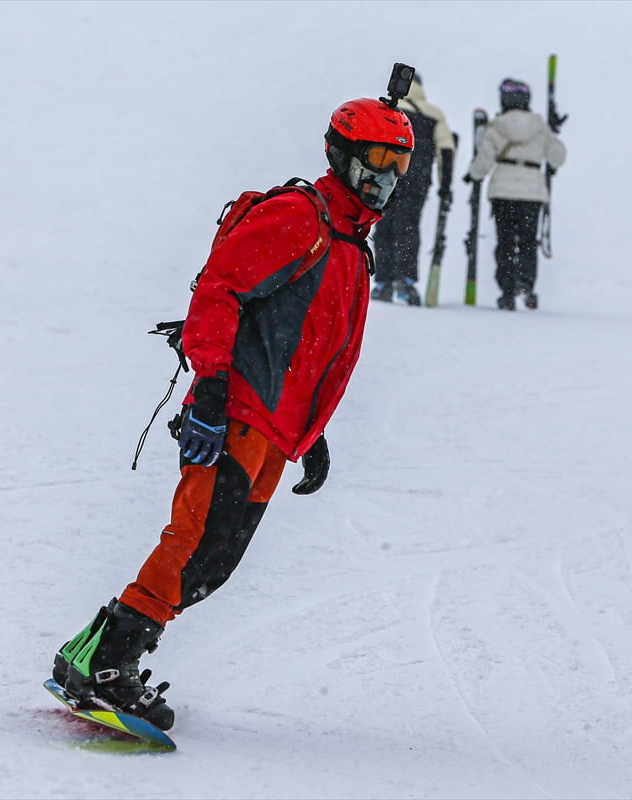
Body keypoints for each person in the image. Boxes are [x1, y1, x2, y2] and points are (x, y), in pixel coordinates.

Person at [52, 93, 415, 732]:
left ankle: (94, 654)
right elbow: (219, 290)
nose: (382, 178)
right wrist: (213, 389)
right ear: (340, 153)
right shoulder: (302, 218)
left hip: (276, 430)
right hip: (236, 412)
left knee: (215, 561)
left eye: (397, 166)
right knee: (195, 540)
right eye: (374, 161)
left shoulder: (352, 244)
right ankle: (108, 664)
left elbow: (316, 349)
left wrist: (316, 431)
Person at [464, 78, 566, 310]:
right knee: (528, 241)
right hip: (532, 190)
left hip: (504, 191)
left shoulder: (498, 125)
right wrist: (554, 131)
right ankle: (527, 285)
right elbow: (557, 158)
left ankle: (507, 290)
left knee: (506, 241)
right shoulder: (540, 125)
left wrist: (472, 175)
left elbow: (484, 160)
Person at [371, 73, 458, 306]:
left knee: (384, 224)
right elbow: (446, 150)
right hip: (417, 179)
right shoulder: (433, 113)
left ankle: (383, 283)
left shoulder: (391, 107)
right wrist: (445, 185)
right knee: (409, 226)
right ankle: (406, 282)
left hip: (388, 173)